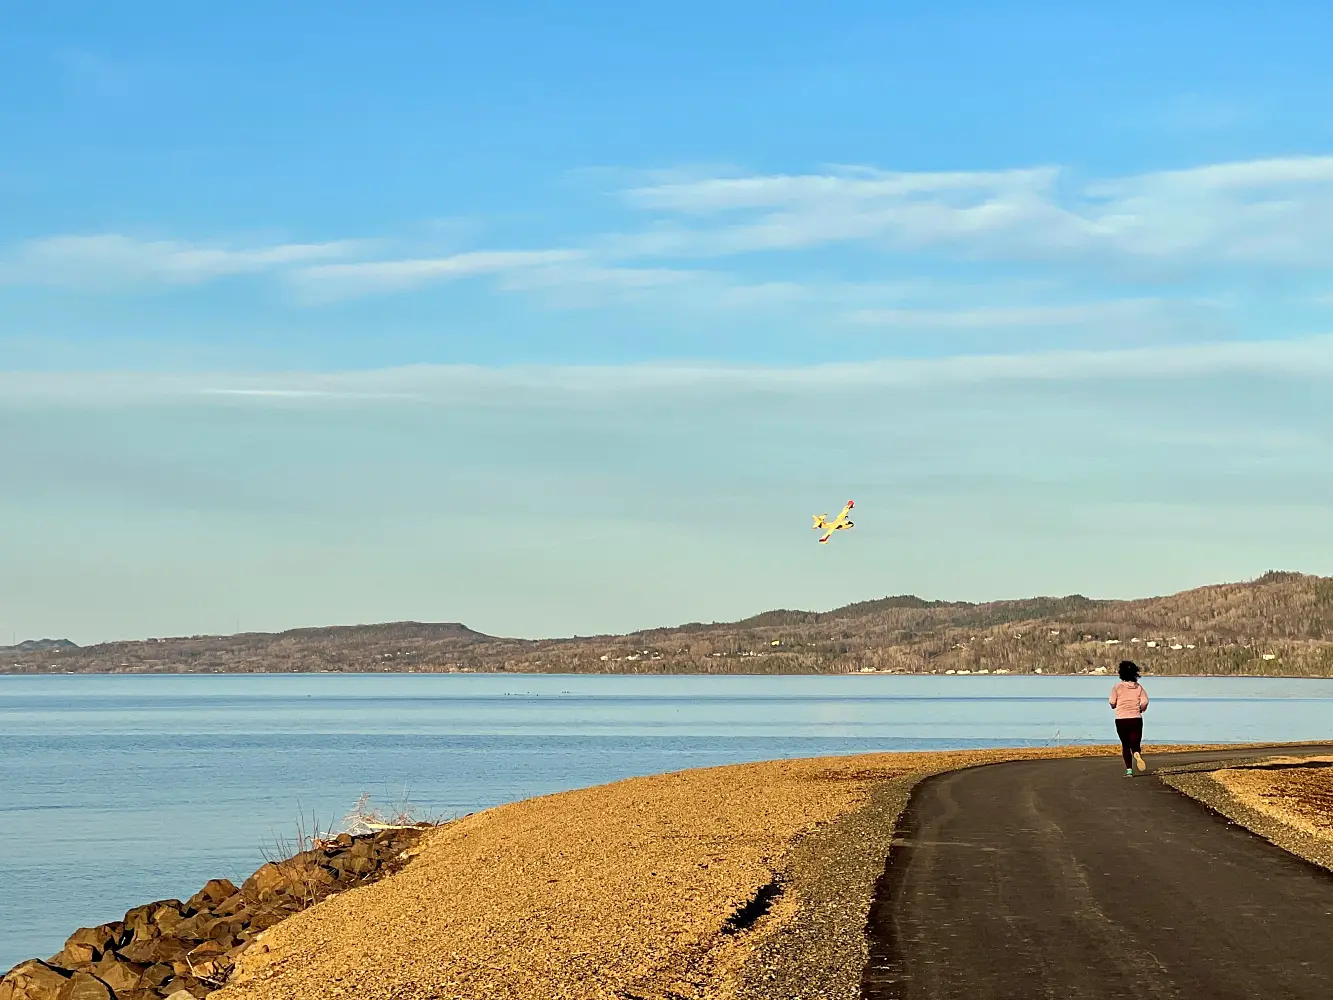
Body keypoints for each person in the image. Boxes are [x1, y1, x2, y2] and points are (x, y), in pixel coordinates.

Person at [1109, 660, 1148, 776]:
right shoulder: (1139, 688)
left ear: (1121, 673)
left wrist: (1114, 706)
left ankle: (1129, 770)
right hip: (1135, 718)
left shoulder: (1117, 687)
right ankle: (1136, 752)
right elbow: (1145, 701)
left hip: (1121, 719)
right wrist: (1141, 709)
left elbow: (1112, 701)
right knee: (1135, 742)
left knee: (1125, 745)